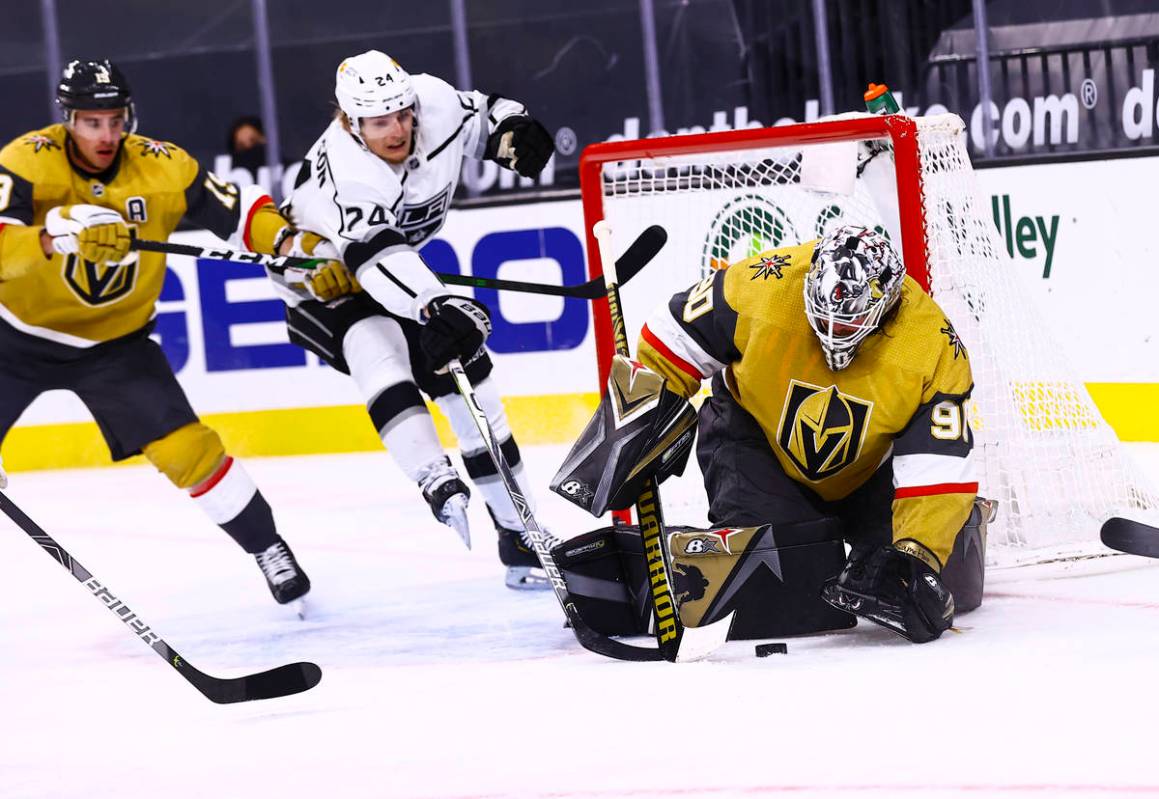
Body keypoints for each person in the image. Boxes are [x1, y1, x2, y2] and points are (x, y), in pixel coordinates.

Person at [0, 59, 328, 608]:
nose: (106, 135)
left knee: (188, 452)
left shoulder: (163, 167)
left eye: (114, 120)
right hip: (13, 339)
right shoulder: (25, 161)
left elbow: (241, 212)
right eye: (91, 123)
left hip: (117, 347)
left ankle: (268, 547)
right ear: (67, 120)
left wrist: (291, 247)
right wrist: (53, 236)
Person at [269, 49, 557, 589]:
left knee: (474, 387)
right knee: (378, 348)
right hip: (321, 279)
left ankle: (521, 536)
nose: (399, 129)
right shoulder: (348, 176)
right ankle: (435, 479)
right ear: (350, 122)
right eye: (380, 122)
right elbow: (377, 260)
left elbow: (480, 115)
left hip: (395, 267)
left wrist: (512, 129)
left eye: (402, 114)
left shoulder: (431, 100)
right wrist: (433, 304)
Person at [629, 225, 988, 643]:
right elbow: (671, 333)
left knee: (940, 580)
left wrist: (917, 552)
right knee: (779, 585)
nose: (833, 332)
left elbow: (935, 467)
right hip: (755, 441)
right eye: (824, 318)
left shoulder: (931, 345)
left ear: (888, 304)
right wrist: (639, 418)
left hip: (870, 466)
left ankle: (943, 529)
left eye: (848, 324)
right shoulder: (762, 285)